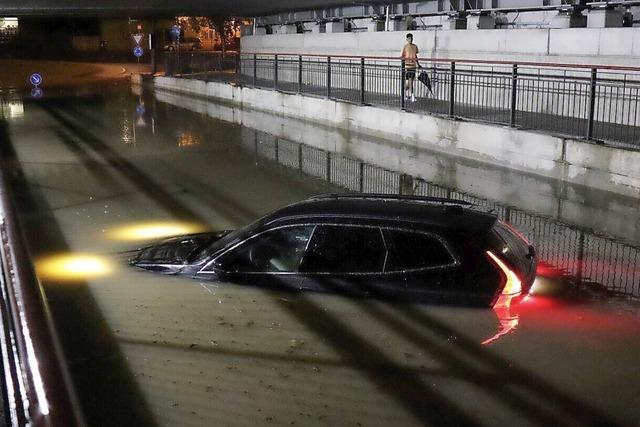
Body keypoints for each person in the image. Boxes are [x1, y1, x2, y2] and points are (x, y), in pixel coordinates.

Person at [401, 33, 419, 102]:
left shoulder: (415, 46)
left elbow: (415, 56)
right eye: (409, 38)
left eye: (411, 38)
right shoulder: (405, 46)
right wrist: (405, 61)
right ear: (407, 39)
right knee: (411, 81)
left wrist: (418, 63)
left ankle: (404, 94)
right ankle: (412, 96)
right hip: (408, 66)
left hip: (414, 66)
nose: (410, 40)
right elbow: (402, 56)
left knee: (409, 84)